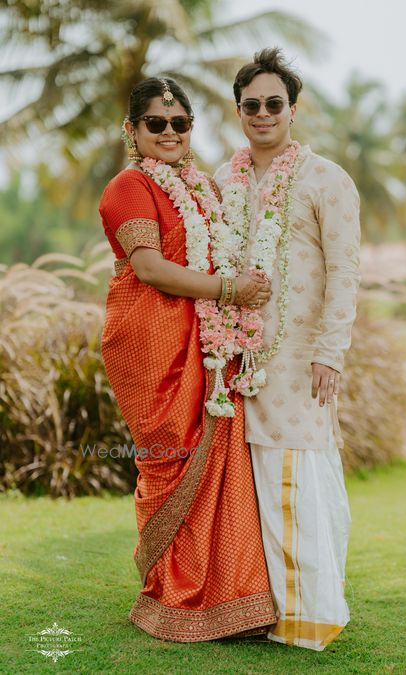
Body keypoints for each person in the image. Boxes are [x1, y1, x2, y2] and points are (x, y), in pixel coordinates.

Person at [98, 76, 277, 642]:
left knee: (220, 458)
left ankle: (232, 595)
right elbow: (149, 269)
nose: (170, 132)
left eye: (180, 123)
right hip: (151, 340)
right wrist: (229, 290)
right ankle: (173, 595)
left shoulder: (199, 186)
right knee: (169, 458)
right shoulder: (128, 187)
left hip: (205, 340)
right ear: (132, 129)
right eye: (156, 123)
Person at [214, 48, 361, 651]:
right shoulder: (225, 178)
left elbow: (346, 271)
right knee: (253, 484)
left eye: (275, 103)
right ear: (240, 111)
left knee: (298, 478)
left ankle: (309, 615)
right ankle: (260, 606)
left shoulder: (327, 178)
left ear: (293, 110)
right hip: (239, 361)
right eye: (252, 105)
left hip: (301, 363)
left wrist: (330, 352)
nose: (263, 113)